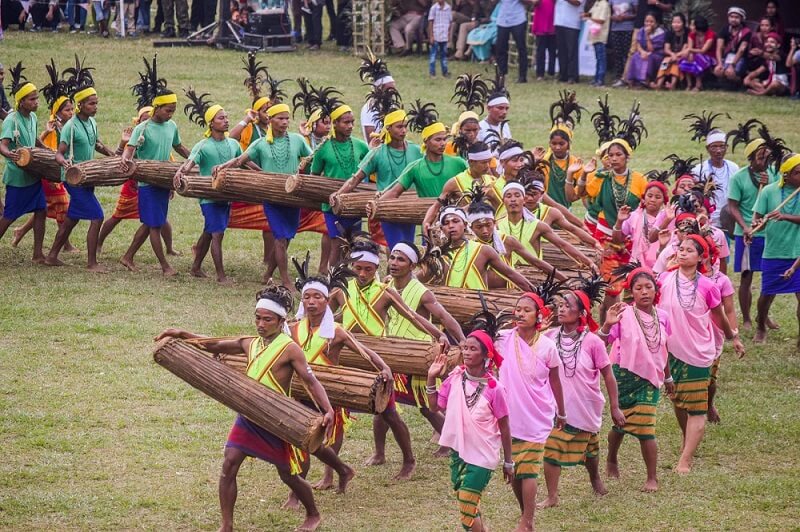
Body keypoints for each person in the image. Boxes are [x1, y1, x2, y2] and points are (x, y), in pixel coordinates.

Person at [155, 286, 356, 532]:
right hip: (249, 416)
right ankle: (226, 525)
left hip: (277, 419)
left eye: (267, 319)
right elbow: (214, 345)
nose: (261, 324)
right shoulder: (249, 343)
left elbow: (311, 381)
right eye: (258, 318)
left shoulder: (289, 348)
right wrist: (181, 333)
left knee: (288, 475)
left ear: (281, 320)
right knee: (229, 464)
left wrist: (328, 410)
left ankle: (313, 514)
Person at [289, 258, 413, 487]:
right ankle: (312, 483)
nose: (312, 302)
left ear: (327, 301)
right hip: (302, 390)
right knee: (302, 437)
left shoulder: (336, 331)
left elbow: (365, 352)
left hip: (331, 388)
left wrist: (384, 368)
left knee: (335, 432)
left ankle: (330, 475)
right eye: (307, 297)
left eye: (318, 297)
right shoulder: (292, 329)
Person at [370, 242, 466, 461]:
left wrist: (462, 341)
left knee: (426, 407)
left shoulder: (421, 292)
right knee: (382, 404)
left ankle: (453, 444)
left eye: (400, 259)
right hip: (393, 352)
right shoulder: (386, 285)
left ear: (412, 265)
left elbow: (443, 317)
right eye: (392, 257)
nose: (393, 263)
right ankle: (379, 453)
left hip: (419, 355)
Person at [659, 235, 744, 473]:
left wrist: (733, 337)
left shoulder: (708, 286)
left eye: (689, 250)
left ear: (701, 257)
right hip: (669, 351)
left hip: (698, 351)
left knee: (696, 407)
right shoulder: (663, 280)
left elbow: (719, 317)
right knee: (678, 400)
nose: (682, 253)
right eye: (681, 249)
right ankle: (687, 442)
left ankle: (685, 460)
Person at [539, 275, 625, 507]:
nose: (562, 309)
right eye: (560, 305)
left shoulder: (592, 342)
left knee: (591, 449)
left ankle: (595, 477)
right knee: (552, 449)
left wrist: (615, 407)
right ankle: (553, 496)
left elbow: (608, 374)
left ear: (581, 314)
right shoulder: (548, 337)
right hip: (557, 408)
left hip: (585, 405)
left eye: (568, 306)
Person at [426, 328, 513, 532]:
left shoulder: (495, 389)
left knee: (466, 502)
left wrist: (509, 461)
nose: (466, 352)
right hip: (459, 452)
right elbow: (433, 407)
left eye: (473, 349)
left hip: (483, 455)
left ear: (485, 355)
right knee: (470, 505)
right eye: (465, 348)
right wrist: (431, 377)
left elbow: (505, 426)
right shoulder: (455, 379)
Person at [217, 102, 312, 288]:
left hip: (293, 197)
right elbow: (239, 160)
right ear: (270, 120)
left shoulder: (298, 140)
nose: (285, 122)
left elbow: (311, 158)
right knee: (280, 238)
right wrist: (222, 167)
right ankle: (285, 281)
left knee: (288, 236)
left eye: (287, 118)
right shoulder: (260, 144)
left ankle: (268, 273)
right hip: (272, 197)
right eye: (280, 118)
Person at [499, 289, 566, 531]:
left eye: (527, 310)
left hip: (537, 416)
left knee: (528, 470)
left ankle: (528, 521)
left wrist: (562, 411)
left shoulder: (547, 346)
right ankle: (524, 513)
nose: (520, 314)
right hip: (509, 415)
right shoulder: (503, 338)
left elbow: (556, 380)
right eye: (518, 309)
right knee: (516, 470)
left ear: (538, 315)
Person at [600, 264, 670, 492]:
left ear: (655, 290)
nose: (644, 292)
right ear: (631, 291)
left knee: (646, 428)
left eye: (648, 287)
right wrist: (607, 323)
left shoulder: (664, 317)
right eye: (638, 288)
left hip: (651, 379)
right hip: (624, 376)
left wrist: (668, 378)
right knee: (620, 425)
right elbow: (603, 343)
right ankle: (611, 458)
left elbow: (664, 349)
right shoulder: (623, 314)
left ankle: (652, 477)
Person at [119, 56, 190, 276]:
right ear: (156, 108)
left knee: (152, 223)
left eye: (173, 110)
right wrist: (125, 158)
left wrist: (194, 157)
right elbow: (129, 150)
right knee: (155, 225)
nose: (171, 114)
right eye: (168, 110)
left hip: (164, 179)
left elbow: (179, 147)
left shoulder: (172, 126)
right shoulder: (143, 128)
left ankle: (128, 256)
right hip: (147, 182)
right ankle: (165, 266)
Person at [47, 69, 115, 271]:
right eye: (91, 103)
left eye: (96, 103)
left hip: (88, 178)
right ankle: (92, 263)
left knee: (71, 219)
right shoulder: (71, 126)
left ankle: (51, 256)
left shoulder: (92, 122)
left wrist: (113, 154)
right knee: (97, 216)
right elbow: (59, 153)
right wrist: (65, 163)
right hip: (73, 180)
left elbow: (96, 143)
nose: (95, 107)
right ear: (80, 105)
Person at [173, 93, 242, 283]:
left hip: (226, 196)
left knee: (210, 231)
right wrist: (181, 172)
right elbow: (189, 163)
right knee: (217, 234)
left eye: (227, 117)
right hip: (209, 198)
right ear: (211, 123)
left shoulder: (234, 144)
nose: (226, 121)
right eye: (221, 118)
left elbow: (243, 162)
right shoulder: (203, 145)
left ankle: (195, 267)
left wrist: (262, 173)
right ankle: (221, 276)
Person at [331, 107, 422, 249]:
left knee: (408, 246)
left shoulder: (416, 151)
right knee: (397, 247)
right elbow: (355, 179)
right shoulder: (377, 153)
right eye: (399, 127)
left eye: (405, 126)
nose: (403, 131)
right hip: (387, 207)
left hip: (410, 207)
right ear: (388, 128)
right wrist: (339, 194)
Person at [11, 62, 76, 252]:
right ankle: (66, 245)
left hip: (58, 171)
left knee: (46, 208)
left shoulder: (69, 127)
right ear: (56, 113)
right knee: (62, 204)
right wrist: (48, 133)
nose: (71, 113)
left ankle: (20, 231)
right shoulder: (52, 126)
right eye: (67, 110)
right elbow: (34, 146)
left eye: (72, 109)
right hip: (48, 172)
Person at [97, 107, 178, 256]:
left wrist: (170, 184)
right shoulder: (137, 136)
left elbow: (168, 162)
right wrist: (123, 143)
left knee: (159, 219)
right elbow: (120, 157)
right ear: (139, 121)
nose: (148, 121)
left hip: (155, 183)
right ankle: (99, 242)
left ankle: (169, 248)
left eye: (149, 118)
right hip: (134, 185)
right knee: (118, 216)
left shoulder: (158, 135)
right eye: (144, 119)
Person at [584, 136, 648, 321]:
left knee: (631, 283)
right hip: (606, 237)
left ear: (627, 157)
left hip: (630, 238)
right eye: (610, 155)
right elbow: (589, 192)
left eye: (618, 154)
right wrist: (599, 172)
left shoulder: (638, 179)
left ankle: (626, 323)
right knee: (612, 288)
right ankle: (608, 328)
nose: (613, 158)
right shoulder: (602, 177)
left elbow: (647, 203)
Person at [726, 136, 779, 329]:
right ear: (751, 158)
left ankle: (762, 316)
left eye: (767, 158)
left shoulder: (776, 175)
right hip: (746, 234)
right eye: (760, 157)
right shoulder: (738, 178)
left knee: (770, 277)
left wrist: (767, 185)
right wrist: (746, 226)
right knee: (747, 277)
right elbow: (732, 206)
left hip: (770, 234)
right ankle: (747, 318)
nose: (764, 162)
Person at [310, 102, 369, 269]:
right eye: (345, 122)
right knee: (336, 242)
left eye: (352, 122)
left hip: (354, 203)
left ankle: (344, 274)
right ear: (335, 123)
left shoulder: (360, 146)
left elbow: (371, 166)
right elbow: (315, 175)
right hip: (332, 205)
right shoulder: (323, 148)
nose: (350, 126)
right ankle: (332, 276)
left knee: (352, 242)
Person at [0, 63, 47, 263]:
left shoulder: (33, 117)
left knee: (41, 211)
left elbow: (34, 139)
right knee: (9, 216)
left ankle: (37, 254)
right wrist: (10, 156)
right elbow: (3, 145)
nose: (36, 102)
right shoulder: (12, 120)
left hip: (33, 174)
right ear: (21, 102)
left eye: (36, 98)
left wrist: (46, 150)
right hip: (18, 177)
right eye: (32, 99)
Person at [752, 154, 800, 348]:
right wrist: (756, 225)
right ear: (786, 175)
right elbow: (758, 220)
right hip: (774, 251)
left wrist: (785, 216)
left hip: (797, 252)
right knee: (767, 295)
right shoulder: (769, 192)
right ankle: (761, 325)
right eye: (798, 173)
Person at [498, 180, 598, 271]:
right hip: (507, 277)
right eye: (508, 196)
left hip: (534, 275)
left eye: (517, 195)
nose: (513, 199)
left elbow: (563, 244)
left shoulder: (538, 225)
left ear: (523, 199)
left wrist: (589, 262)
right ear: (503, 200)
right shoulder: (496, 226)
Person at [378, 109, 467, 206]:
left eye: (444, 139)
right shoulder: (415, 168)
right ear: (426, 141)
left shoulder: (459, 163)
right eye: (438, 140)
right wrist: (376, 204)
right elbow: (394, 192)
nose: (443, 144)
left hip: (454, 219)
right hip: (426, 218)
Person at [436, 205, 535, 291]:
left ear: (465, 225)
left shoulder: (483, 250)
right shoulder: (439, 255)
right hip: (451, 306)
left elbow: (511, 274)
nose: (451, 226)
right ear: (441, 228)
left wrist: (537, 294)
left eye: (455, 221)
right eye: (446, 223)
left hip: (477, 307)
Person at [702, 235, 736, 425]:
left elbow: (729, 310)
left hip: (714, 335)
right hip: (689, 335)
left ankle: (708, 404)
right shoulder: (681, 277)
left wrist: (735, 337)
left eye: (706, 253)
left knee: (710, 380)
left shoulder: (721, 280)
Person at [611, 180, 667, 269]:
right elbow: (617, 241)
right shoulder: (634, 216)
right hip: (636, 266)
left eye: (658, 197)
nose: (653, 200)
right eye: (649, 196)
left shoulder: (667, 219)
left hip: (660, 267)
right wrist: (619, 221)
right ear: (644, 198)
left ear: (664, 201)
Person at [691, 129, 739, 231]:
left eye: (722, 146)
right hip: (707, 221)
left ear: (727, 147)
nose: (718, 151)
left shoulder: (733, 168)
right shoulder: (699, 170)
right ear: (707, 148)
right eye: (714, 147)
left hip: (728, 220)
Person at [625, 12, 666, 87]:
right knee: (636, 56)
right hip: (644, 52)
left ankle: (645, 80)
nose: (648, 24)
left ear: (657, 23)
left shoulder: (661, 33)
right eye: (646, 21)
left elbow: (651, 49)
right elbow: (638, 44)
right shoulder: (641, 30)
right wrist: (642, 51)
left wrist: (647, 35)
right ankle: (633, 80)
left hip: (656, 54)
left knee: (648, 58)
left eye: (651, 21)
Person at [713, 6, 751, 87]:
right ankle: (726, 84)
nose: (733, 19)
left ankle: (739, 82)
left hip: (740, 58)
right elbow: (719, 47)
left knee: (730, 73)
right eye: (731, 17)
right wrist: (719, 63)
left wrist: (732, 65)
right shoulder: (725, 29)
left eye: (736, 17)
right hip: (727, 56)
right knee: (717, 71)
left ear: (742, 19)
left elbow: (741, 50)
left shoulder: (746, 31)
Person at [678, 16, 716, 92]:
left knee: (698, 58)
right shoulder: (691, 34)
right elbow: (690, 47)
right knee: (686, 58)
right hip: (696, 54)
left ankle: (698, 85)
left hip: (709, 57)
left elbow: (703, 50)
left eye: (692, 25)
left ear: (698, 26)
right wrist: (690, 53)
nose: (690, 27)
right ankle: (689, 84)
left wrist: (689, 50)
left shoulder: (710, 34)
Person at [495, 0, 530, 84]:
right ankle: (501, 74)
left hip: (518, 19)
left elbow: (529, 2)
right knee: (500, 48)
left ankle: (522, 76)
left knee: (521, 48)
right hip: (503, 19)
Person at [652, 12, 688, 90]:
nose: (676, 25)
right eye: (674, 22)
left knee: (676, 62)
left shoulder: (687, 33)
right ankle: (659, 84)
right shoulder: (669, 33)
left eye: (678, 22)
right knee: (665, 61)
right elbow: (666, 49)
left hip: (682, 56)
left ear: (683, 23)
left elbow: (686, 49)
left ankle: (673, 85)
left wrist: (676, 56)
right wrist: (672, 55)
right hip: (670, 56)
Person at [554, 0, 585, 84]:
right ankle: (563, 75)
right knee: (561, 51)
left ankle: (573, 76)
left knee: (572, 51)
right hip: (559, 21)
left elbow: (577, 3)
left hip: (572, 23)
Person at [608, 0, 636, 88]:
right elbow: (608, 14)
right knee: (617, 54)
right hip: (615, 29)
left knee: (626, 54)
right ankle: (618, 76)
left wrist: (626, 17)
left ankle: (626, 77)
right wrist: (614, 18)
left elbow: (637, 14)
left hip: (628, 29)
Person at [583, 0, 610, 87]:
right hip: (594, 35)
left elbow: (601, 20)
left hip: (601, 36)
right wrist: (585, 15)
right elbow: (591, 13)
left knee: (601, 58)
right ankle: (596, 78)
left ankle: (600, 80)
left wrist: (589, 18)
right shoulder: (597, 3)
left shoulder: (604, 4)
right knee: (598, 58)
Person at [531, 0, 556, 80]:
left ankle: (551, 72)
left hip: (552, 23)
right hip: (541, 24)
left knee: (552, 51)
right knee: (540, 51)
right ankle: (540, 74)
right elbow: (534, 3)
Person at [428, 0, 452, 78]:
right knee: (433, 55)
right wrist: (431, 36)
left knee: (444, 55)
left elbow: (450, 22)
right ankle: (432, 72)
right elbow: (430, 22)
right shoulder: (433, 8)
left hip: (444, 35)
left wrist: (448, 34)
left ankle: (445, 72)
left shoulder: (448, 8)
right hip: (436, 34)